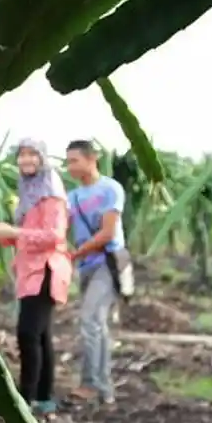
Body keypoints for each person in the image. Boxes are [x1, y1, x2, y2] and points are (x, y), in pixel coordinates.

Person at [0, 138, 71, 416]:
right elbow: (23, 237)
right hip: (31, 270)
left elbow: (55, 236)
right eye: (22, 155)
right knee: (41, 335)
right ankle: (43, 397)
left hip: (46, 271)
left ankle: (25, 399)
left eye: (32, 155)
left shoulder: (51, 194)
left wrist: (14, 233)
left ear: (42, 158)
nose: (26, 160)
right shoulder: (28, 192)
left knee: (28, 334)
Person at [63, 139, 128, 405]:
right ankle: (104, 388)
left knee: (90, 320)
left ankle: (92, 384)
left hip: (109, 261)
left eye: (74, 161)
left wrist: (75, 253)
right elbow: (58, 227)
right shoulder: (72, 197)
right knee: (97, 324)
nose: (70, 167)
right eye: (67, 162)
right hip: (87, 266)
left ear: (92, 159)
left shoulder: (110, 189)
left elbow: (107, 233)